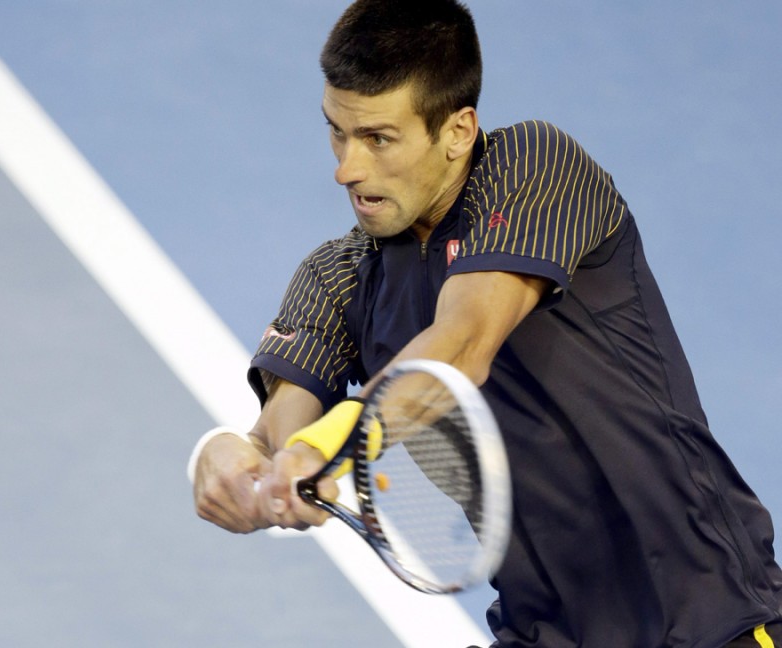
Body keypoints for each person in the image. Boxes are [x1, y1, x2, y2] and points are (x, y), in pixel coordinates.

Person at [190, 1, 782, 645]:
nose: (346, 169)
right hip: (543, 631)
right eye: (337, 131)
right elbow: (280, 438)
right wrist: (238, 462)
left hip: (702, 618)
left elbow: (463, 344)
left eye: (378, 138)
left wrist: (328, 444)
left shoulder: (536, 167)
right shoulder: (337, 277)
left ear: (458, 131)